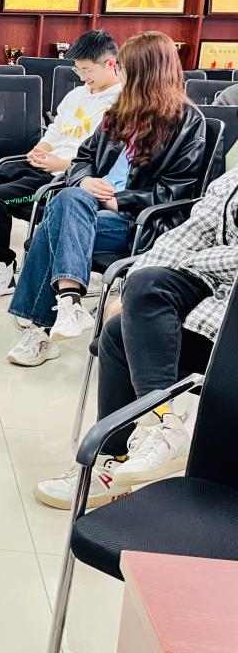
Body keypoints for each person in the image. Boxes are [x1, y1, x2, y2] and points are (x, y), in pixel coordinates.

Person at [34, 166, 238, 509]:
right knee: (130, 309)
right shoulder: (233, 180)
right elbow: (189, 234)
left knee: (131, 323)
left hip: (227, 325)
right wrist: (131, 289)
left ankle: (158, 427)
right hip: (211, 297)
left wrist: (193, 263)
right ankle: (141, 439)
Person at [5, 31, 205, 367]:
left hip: (137, 221)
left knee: (56, 220)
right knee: (71, 200)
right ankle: (68, 304)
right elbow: (83, 159)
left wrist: (119, 201)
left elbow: (178, 192)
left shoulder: (186, 121)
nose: (119, 73)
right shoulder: (119, 112)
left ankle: (44, 328)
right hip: (88, 209)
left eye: (125, 68)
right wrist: (85, 180)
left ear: (146, 72)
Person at [0, 30, 123, 299]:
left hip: (65, 179)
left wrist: (60, 163)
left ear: (110, 64)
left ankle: (2, 272)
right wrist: (41, 149)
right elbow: (55, 130)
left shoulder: (121, 103)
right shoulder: (76, 95)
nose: (82, 77)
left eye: (87, 70)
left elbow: (105, 159)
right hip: (42, 166)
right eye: (78, 70)